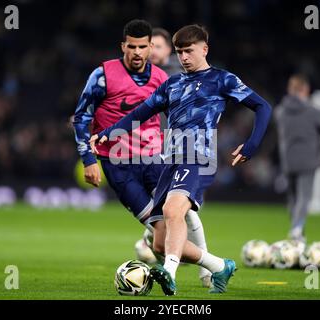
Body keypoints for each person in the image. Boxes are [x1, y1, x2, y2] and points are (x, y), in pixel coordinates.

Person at [90, 24, 272, 295]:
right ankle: (220, 266)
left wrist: (253, 144)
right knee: (160, 244)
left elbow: (263, 106)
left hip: (199, 157)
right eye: (180, 52)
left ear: (204, 49)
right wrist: (107, 133)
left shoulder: (222, 80)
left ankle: (169, 273)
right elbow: (140, 113)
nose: (184, 57)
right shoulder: (173, 83)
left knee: (175, 212)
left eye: (189, 51)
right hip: (170, 160)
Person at [72, 20, 212, 287]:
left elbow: (177, 118)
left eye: (142, 47)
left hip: (155, 160)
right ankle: (212, 265)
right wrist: (88, 159)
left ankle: (202, 272)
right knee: (159, 234)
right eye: (132, 47)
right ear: (123, 46)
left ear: (150, 48)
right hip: (118, 164)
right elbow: (81, 118)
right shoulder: (101, 76)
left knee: (184, 213)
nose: (137, 52)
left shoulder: (161, 78)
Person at [275, 74, 320, 243]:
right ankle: (297, 229)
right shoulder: (314, 110)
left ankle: (298, 234)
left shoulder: (281, 111)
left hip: (288, 159)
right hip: (309, 159)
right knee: (304, 197)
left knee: (293, 198)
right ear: (305, 89)